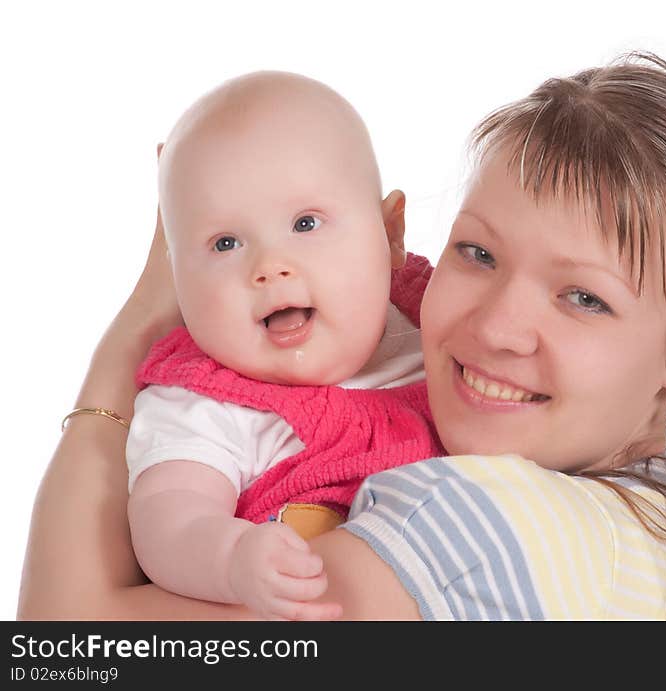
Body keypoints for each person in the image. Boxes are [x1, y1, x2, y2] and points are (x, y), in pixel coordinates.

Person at [18, 54, 666, 621]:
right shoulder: (660, 542)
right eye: (478, 253)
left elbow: (65, 644)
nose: (492, 327)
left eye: (584, 297)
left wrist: (144, 319)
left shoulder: (471, 525)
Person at [124, 71, 444, 620]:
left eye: (305, 222)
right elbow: (168, 517)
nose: (269, 267)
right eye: (225, 243)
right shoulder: (207, 404)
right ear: (177, 276)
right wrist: (232, 559)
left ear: (391, 234)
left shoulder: (434, 325)